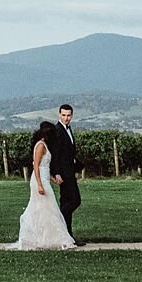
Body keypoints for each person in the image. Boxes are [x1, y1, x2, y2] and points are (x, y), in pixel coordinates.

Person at [10, 121, 76, 250]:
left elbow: (44, 167)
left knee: (45, 208)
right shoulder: (40, 146)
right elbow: (36, 166)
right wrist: (40, 185)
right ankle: (54, 237)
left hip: (45, 179)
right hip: (39, 181)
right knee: (48, 207)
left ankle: (46, 237)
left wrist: (52, 179)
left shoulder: (44, 145)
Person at [49, 103, 84, 242]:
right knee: (75, 201)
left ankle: (68, 238)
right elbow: (55, 155)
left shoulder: (68, 129)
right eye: (64, 115)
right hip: (64, 174)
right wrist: (56, 173)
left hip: (69, 171)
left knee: (66, 202)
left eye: (69, 115)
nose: (66, 118)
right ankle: (58, 218)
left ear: (72, 116)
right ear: (59, 114)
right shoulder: (58, 130)